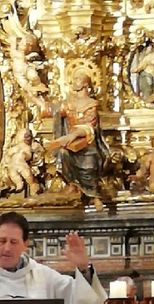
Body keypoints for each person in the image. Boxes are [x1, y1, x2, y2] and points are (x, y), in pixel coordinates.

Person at [44, 69, 110, 210]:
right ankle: (73, 185)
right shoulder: (68, 103)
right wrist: (37, 100)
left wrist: (73, 135)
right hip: (71, 142)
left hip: (87, 140)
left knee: (90, 162)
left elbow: (89, 124)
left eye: (77, 79)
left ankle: (94, 194)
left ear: (86, 84)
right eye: (73, 79)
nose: (73, 82)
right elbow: (52, 111)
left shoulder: (92, 104)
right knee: (63, 153)